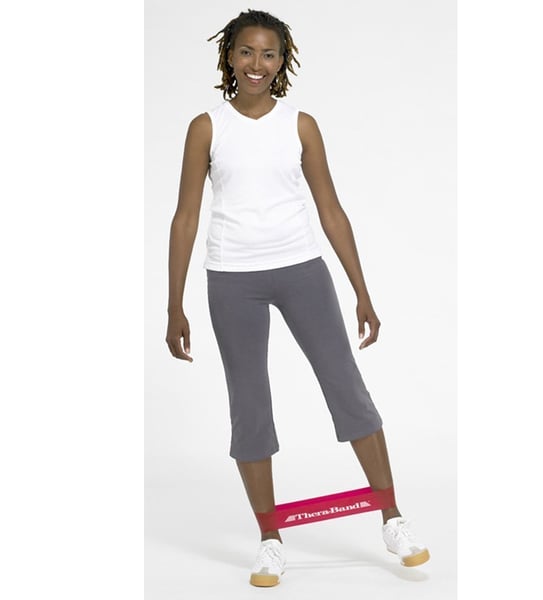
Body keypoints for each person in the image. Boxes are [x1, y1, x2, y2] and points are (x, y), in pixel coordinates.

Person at [165, 8, 429, 588]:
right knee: (250, 404)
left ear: (282, 61)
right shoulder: (207, 127)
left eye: (268, 53)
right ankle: (270, 539)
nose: (256, 64)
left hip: (301, 269)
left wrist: (361, 290)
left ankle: (392, 518)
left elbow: (330, 209)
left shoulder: (300, 125)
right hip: (231, 277)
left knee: (346, 387)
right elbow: (185, 218)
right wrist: (173, 304)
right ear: (229, 56)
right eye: (246, 51)